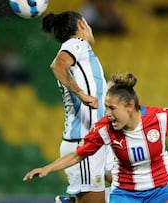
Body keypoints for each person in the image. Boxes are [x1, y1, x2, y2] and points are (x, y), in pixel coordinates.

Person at [23, 72, 168, 203]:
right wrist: (47, 168)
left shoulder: (158, 118)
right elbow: (78, 155)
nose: (108, 113)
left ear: (130, 106)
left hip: (162, 187)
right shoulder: (105, 128)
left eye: (112, 108)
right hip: (125, 193)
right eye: (106, 108)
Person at [41, 11, 114, 203]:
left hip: (99, 139)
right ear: (82, 24)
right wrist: (81, 94)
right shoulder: (76, 44)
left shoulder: (86, 57)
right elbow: (58, 65)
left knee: (130, 189)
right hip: (83, 142)